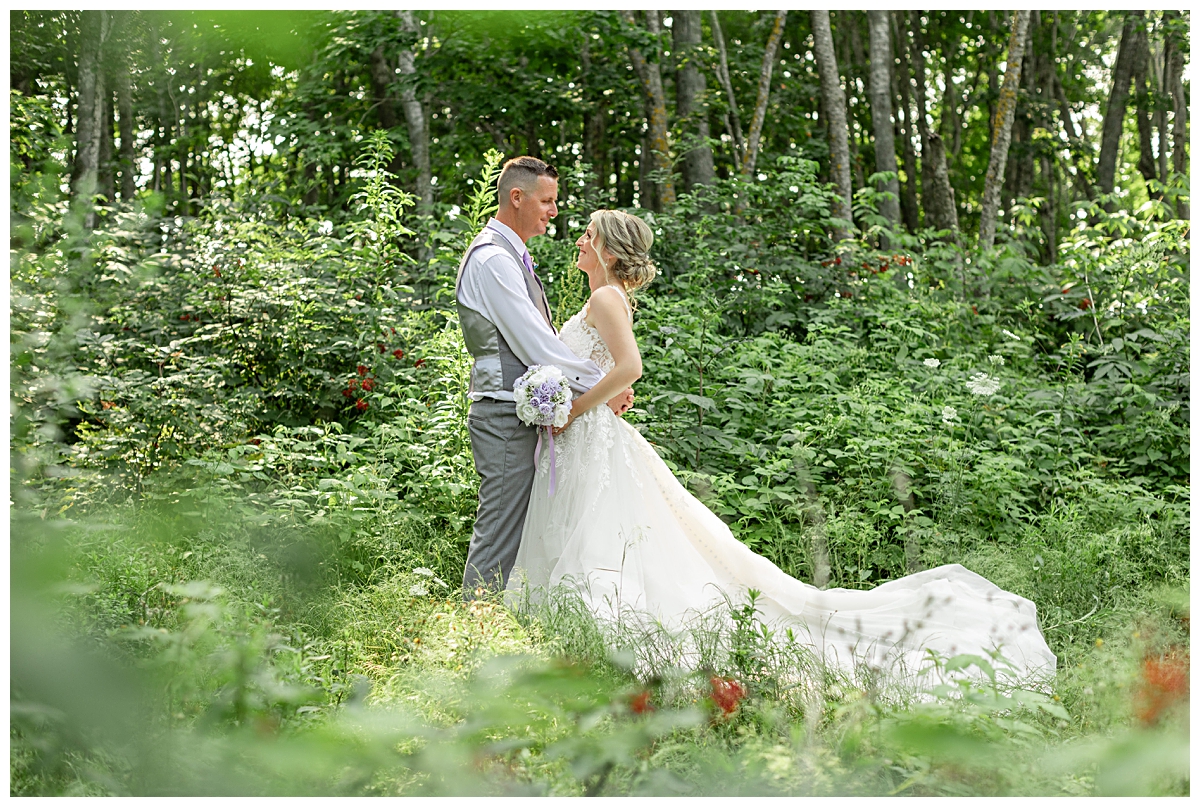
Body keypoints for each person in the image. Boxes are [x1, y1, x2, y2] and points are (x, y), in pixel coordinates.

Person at [507, 209, 1057, 683]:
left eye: (586, 234)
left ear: (606, 247)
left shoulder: (605, 296)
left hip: (590, 436)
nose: (578, 240)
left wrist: (577, 406)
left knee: (602, 535)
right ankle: (566, 637)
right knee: (592, 530)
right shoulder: (605, 297)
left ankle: (594, 639)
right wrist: (590, 394)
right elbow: (607, 369)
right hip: (584, 439)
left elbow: (630, 366)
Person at [455, 156, 633, 597]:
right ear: (517, 197)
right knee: (498, 530)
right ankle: (473, 630)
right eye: (547, 200)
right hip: (501, 414)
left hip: (521, 415)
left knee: (517, 531)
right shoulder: (493, 260)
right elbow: (537, 344)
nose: (554, 211)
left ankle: (491, 624)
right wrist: (599, 385)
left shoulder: (513, 258)